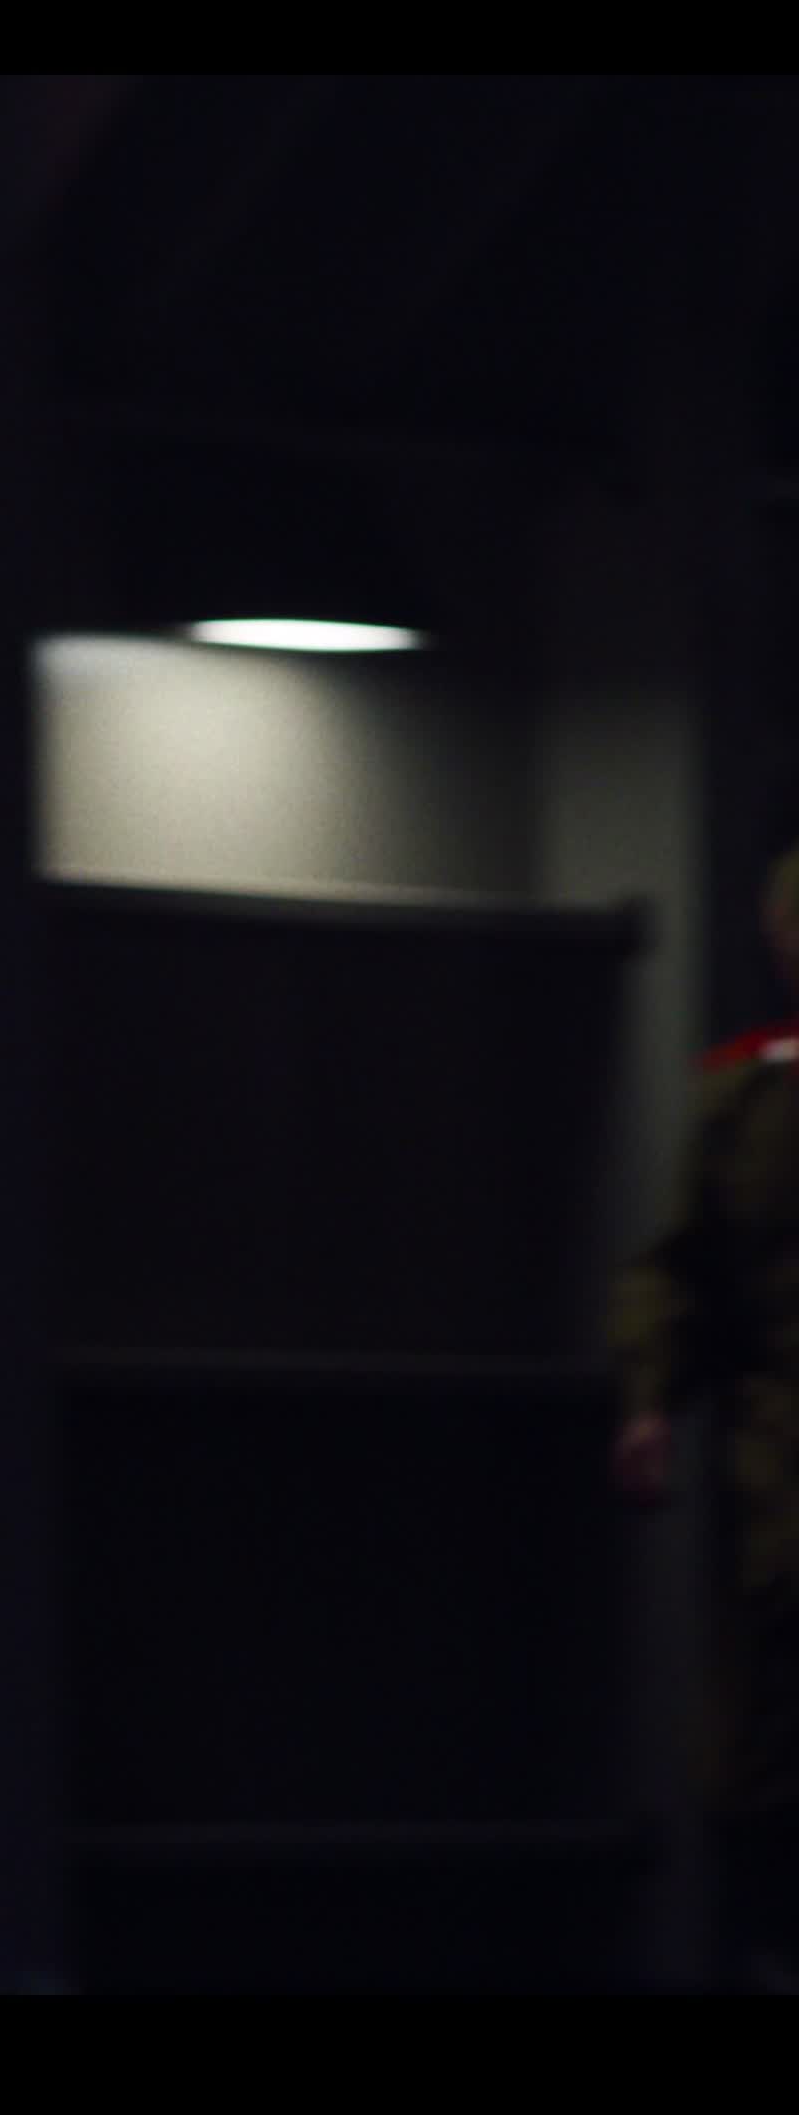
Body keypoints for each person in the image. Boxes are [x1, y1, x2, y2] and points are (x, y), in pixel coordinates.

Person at [613, 842, 799, 1992]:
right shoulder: (749, 1102)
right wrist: (651, 1398)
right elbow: (679, 1271)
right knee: (756, 1784)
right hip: (779, 1513)